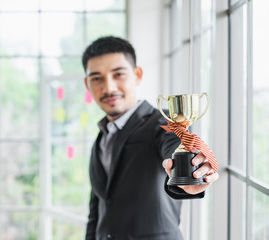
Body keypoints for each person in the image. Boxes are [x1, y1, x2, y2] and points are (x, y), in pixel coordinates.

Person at [82, 36, 219, 240]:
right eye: (97, 78)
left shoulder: (162, 123)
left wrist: (191, 167)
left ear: (137, 75)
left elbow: (174, 142)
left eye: (118, 74)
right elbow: (98, 207)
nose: (109, 88)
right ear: (87, 83)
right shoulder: (102, 135)